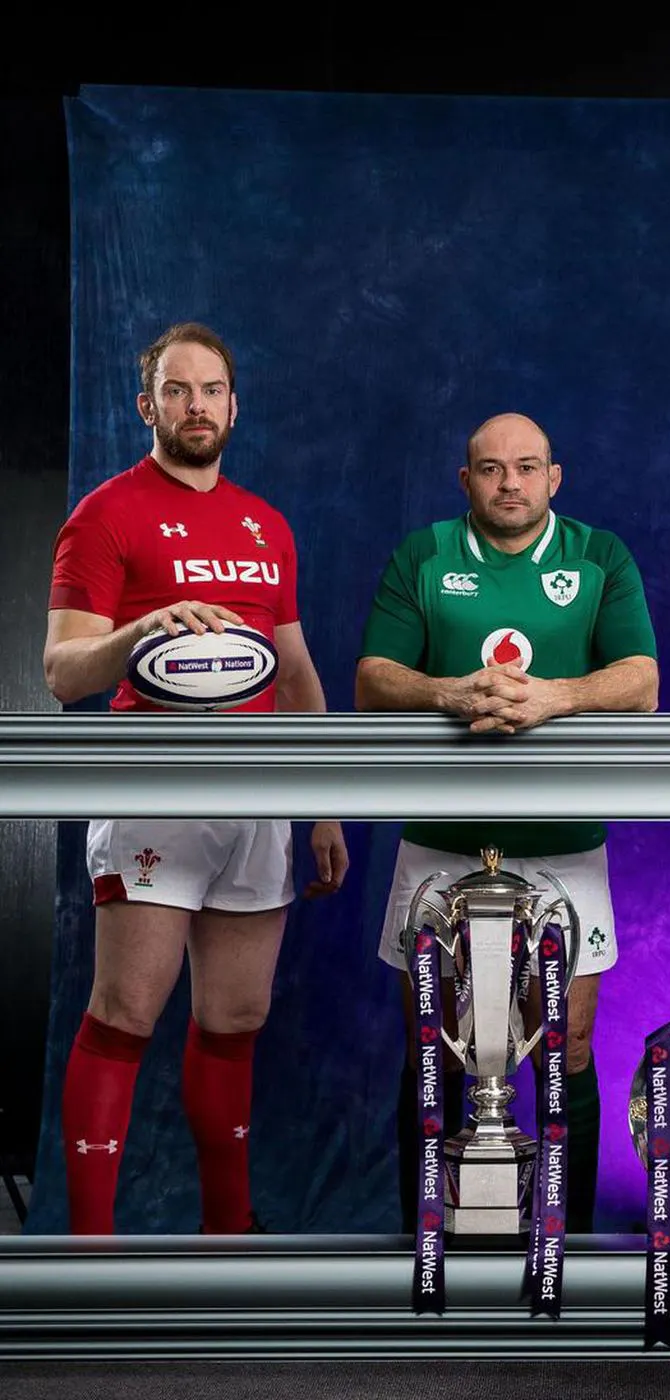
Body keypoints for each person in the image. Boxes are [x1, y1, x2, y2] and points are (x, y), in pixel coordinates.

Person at [44, 322, 349, 1235]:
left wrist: (324, 808)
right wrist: (141, 631)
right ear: (147, 406)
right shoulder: (106, 514)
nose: (195, 406)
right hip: (156, 792)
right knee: (127, 1010)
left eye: (211, 390)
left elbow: (295, 674)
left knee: (236, 1016)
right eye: (176, 390)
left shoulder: (266, 525)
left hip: (256, 798)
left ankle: (228, 1232)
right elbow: (62, 672)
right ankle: (89, 1250)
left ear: (233, 407)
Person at [356, 411, 658, 1233]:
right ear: (467, 481)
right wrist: (448, 691)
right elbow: (374, 677)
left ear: (554, 477)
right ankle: (428, 1245)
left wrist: (557, 696)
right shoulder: (425, 554)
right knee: (436, 1046)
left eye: (527, 467)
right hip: (442, 841)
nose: (510, 483)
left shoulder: (597, 555)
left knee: (570, 1045)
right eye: (491, 469)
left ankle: (571, 1244)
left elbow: (640, 680)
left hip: (564, 842)